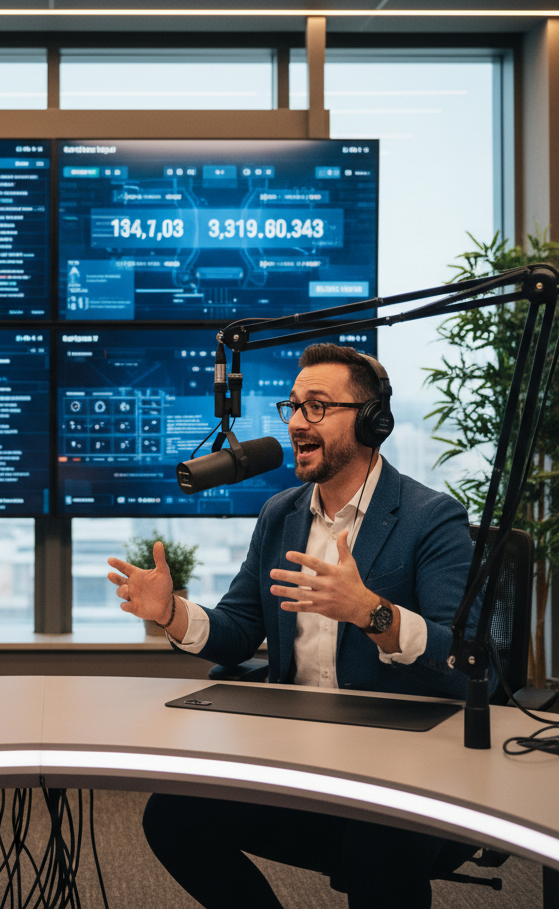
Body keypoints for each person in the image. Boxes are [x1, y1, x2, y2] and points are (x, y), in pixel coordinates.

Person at [106, 343, 479, 909]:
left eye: (317, 407)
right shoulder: (280, 513)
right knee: (175, 816)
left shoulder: (432, 519)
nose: (297, 422)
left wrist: (369, 612)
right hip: (302, 756)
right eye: (293, 406)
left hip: (405, 766)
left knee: (379, 850)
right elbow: (236, 630)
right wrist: (172, 612)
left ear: (372, 421)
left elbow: (460, 661)